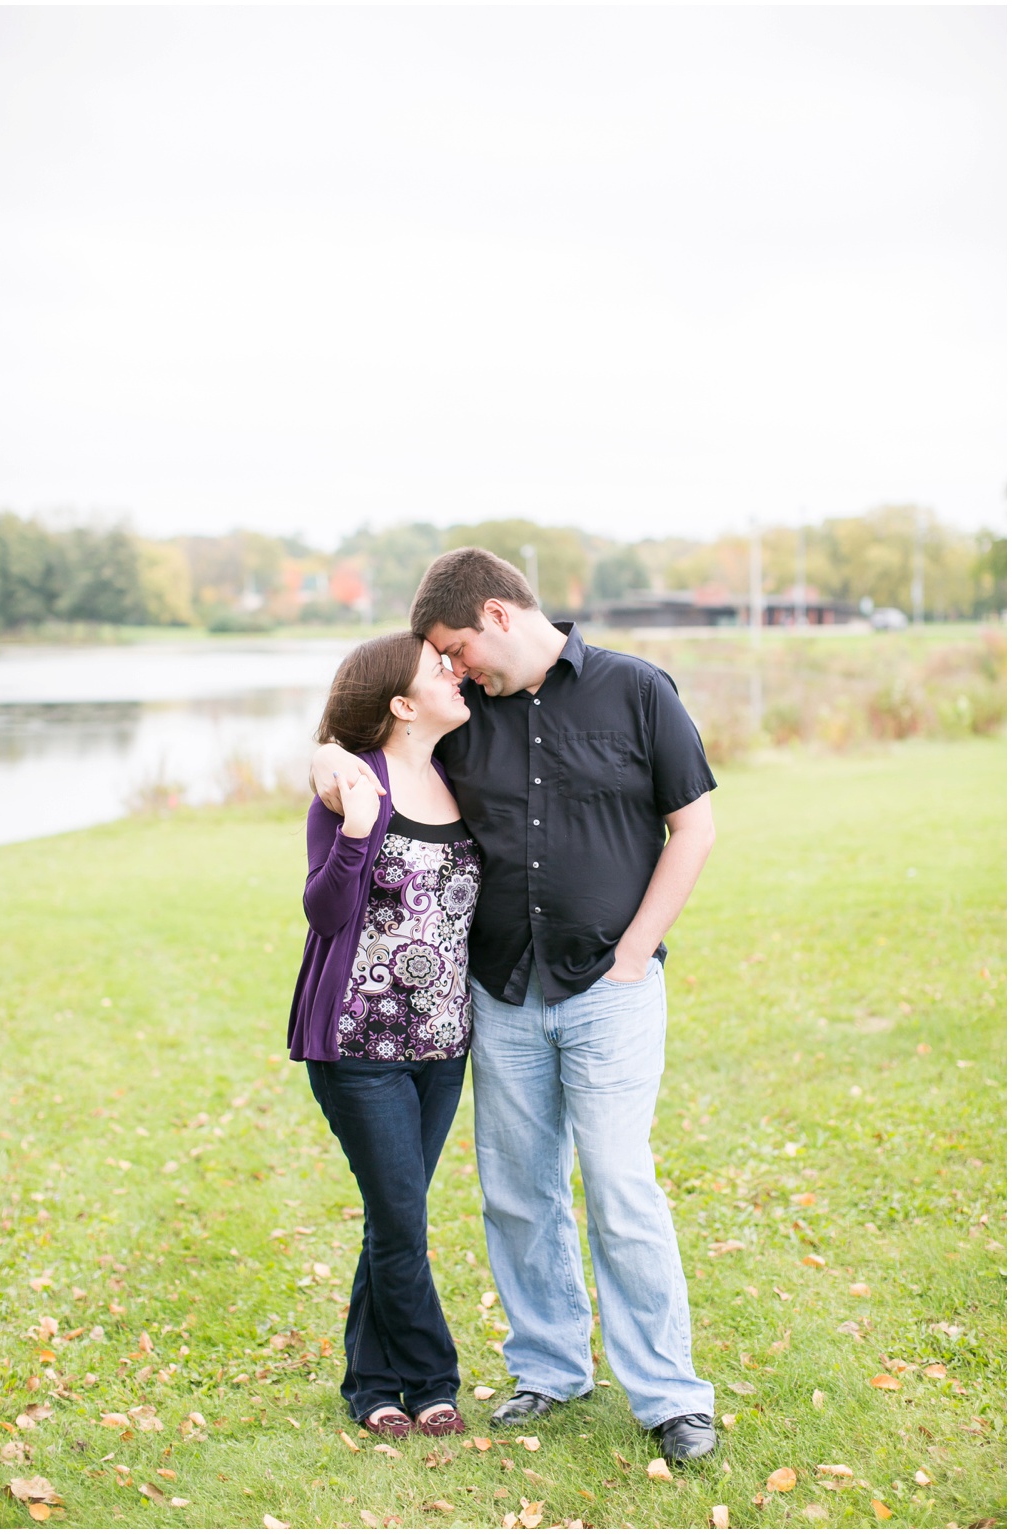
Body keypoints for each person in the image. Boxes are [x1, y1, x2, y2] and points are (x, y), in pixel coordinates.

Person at [312, 546, 719, 1465]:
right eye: (443, 663)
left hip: (610, 990)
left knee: (618, 1184)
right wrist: (322, 762)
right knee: (518, 1195)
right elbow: (371, 733)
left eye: (457, 648)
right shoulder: (466, 717)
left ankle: (668, 1394)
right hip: (496, 994)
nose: (455, 669)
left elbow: (693, 823)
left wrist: (632, 952)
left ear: (498, 615)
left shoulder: (638, 691)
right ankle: (549, 1368)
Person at [289, 631, 478, 1439]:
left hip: (442, 1046)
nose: (455, 672)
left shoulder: (460, 774)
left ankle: (370, 1381)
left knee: (392, 1216)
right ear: (402, 704)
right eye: (439, 668)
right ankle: (432, 1380)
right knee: (403, 1220)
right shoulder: (351, 787)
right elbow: (326, 913)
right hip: (361, 1046)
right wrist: (361, 828)